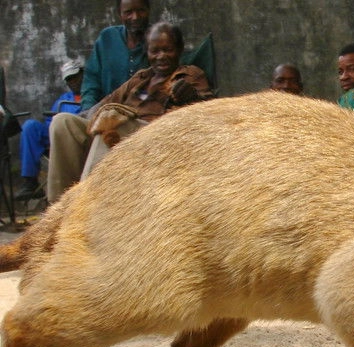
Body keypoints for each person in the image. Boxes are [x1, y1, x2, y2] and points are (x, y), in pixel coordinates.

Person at [47, 22, 214, 203]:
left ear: (180, 50)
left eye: (168, 50)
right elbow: (106, 103)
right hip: (122, 126)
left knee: (110, 127)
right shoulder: (141, 79)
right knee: (62, 122)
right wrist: (82, 118)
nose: (161, 56)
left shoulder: (190, 75)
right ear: (147, 53)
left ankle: (86, 206)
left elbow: (208, 110)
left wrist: (192, 98)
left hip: (153, 135)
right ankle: (58, 204)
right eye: (155, 51)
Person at [13, 61, 83, 201]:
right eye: (69, 79)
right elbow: (50, 124)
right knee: (30, 126)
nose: (73, 82)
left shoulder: (94, 95)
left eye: (75, 77)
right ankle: (30, 181)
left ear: (82, 74)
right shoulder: (63, 100)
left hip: (81, 137)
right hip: (57, 138)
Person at [80, 0, 152, 112]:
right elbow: (91, 81)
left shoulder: (159, 39)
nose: (135, 17)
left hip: (144, 116)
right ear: (120, 14)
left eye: (141, 10)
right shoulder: (107, 38)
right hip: (105, 114)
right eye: (128, 12)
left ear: (148, 10)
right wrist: (88, 111)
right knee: (61, 121)